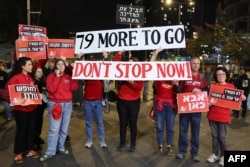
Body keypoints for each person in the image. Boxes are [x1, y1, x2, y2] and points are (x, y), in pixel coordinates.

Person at [206, 66, 246, 166]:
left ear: (226, 75)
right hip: (212, 115)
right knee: (214, 136)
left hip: (224, 116)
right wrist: (208, 103)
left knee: (222, 137)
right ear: (216, 76)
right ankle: (215, 154)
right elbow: (206, 100)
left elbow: (238, 97)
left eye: (222, 74)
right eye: (218, 74)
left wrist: (242, 97)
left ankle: (224, 156)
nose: (220, 76)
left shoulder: (231, 87)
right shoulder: (212, 87)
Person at [40, 58, 78, 161]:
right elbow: (51, 89)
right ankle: (50, 151)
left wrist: (74, 76)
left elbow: (74, 88)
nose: (61, 66)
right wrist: (56, 77)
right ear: (56, 66)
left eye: (63, 64)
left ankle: (60, 147)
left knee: (64, 129)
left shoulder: (69, 77)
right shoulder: (50, 77)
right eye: (59, 64)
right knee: (54, 129)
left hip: (68, 105)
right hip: (55, 104)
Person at [5, 57, 39, 163]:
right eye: (29, 64)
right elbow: (7, 93)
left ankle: (29, 149)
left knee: (31, 129)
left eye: (31, 64)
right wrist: (15, 100)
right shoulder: (15, 78)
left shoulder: (31, 78)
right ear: (22, 66)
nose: (31, 66)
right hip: (21, 110)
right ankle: (19, 152)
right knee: (21, 131)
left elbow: (33, 92)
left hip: (32, 109)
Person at [176, 57, 208, 162]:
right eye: (193, 63)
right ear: (190, 64)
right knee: (183, 131)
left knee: (195, 132)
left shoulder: (202, 77)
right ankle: (182, 151)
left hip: (196, 109)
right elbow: (179, 90)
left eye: (197, 63)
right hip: (185, 109)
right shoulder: (184, 76)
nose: (195, 65)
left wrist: (200, 90)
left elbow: (206, 92)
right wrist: (176, 85)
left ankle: (194, 153)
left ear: (200, 65)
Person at [116, 56, 144, 152]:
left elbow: (139, 87)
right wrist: (119, 54)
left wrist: (132, 83)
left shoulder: (140, 74)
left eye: (131, 63)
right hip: (121, 101)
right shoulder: (122, 71)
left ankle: (133, 144)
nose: (129, 65)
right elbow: (114, 65)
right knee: (123, 124)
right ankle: (122, 143)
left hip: (134, 102)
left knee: (133, 123)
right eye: (128, 63)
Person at [154, 80, 181, 156]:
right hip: (160, 104)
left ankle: (169, 146)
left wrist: (177, 85)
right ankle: (160, 145)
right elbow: (154, 88)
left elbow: (179, 92)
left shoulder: (176, 78)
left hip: (171, 106)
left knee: (170, 127)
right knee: (159, 127)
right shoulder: (158, 78)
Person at [32, 66, 47, 150]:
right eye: (38, 71)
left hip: (41, 107)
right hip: (35, 107)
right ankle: (34, 142)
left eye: (41, 71)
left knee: (39, 122)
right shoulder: (33, 82)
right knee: (35, 123)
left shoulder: (43, 82)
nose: (40, 73)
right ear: (34, 73)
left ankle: (37, 137)